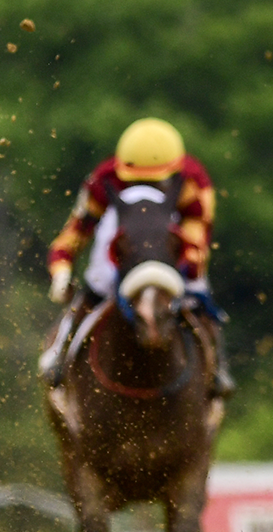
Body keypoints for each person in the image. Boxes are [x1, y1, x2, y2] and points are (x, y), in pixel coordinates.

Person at [42, 117, 234, 397]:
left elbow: (198, 236)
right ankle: (60, 354)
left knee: (198, 293)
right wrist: (61, 270)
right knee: (93, 291)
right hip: (120, 252)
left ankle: (218, 370)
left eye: (156, 181)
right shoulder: (103, 180)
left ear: (175, 171)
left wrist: (182, 268)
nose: (145, 185)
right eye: (135, 180)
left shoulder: (193, 181)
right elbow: (75, 233)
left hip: (172, 255)